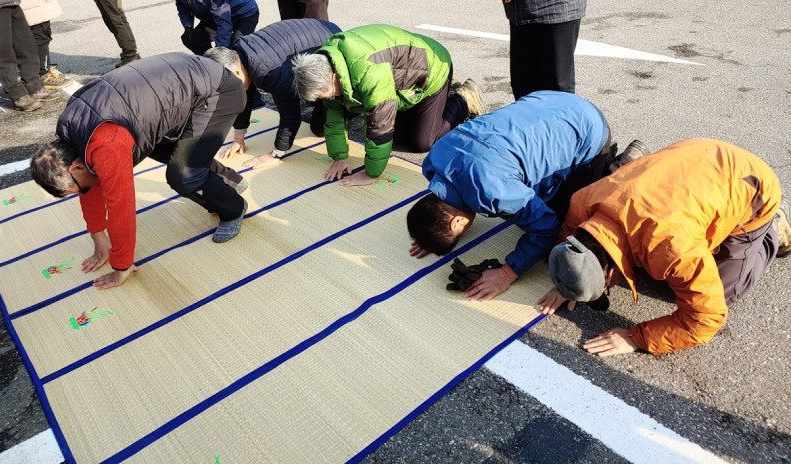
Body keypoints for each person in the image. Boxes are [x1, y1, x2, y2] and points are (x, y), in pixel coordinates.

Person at [539, 139, 791, 356]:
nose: (607, 288)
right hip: (693, 154)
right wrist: (570, 278)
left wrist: (637, 338)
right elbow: (569, 234)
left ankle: (774, 228)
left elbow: (705, 319)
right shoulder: (583, 201)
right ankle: (632, 160)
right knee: (650, 257)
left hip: (751, 182)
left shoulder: (672, 248)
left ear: (610, 272)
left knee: (724, 291)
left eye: (604, 286)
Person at [30, 53, 251, 290]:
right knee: (178, 154)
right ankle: (228, 180)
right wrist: (97, 234)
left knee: (184, 176)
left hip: (218, 92)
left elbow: (121, 206)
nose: (83, 192)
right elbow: (91, 186)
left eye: (77, 189)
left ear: (75, 167)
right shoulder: (70, 130)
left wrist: (121, 265)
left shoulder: (106, 143)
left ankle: (233, 208)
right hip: (185, 89)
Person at [406, 92, 636, 301]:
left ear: (457, 222)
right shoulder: (435, 159)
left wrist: (508, 273)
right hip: (549, 101)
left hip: (588, 130)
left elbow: (545, 226)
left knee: (568, 221)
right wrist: (431, 233)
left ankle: (623, 166)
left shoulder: (494, 190)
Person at [292, 24, 485, 187]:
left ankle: (463, 99)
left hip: (432, 72)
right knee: (397, 137)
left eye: (326, 94)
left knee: (422, 143)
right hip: (400, 80)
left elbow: (381, 126)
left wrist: (371, 173)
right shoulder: (328, 61)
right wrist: (340, 157)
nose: (328, 98)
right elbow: (334, 118)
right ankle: (441, 100)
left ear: (334, 77)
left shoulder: (369, 71)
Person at [206, 18, 341, 166]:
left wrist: (277, 153)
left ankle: (350, 109)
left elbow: (291, 116)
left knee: (319, 128)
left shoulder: (270, 73)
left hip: (332, 41)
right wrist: (238, 138)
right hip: (315, 29)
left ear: (237, 72)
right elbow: (244, 95)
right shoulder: (239, 53)